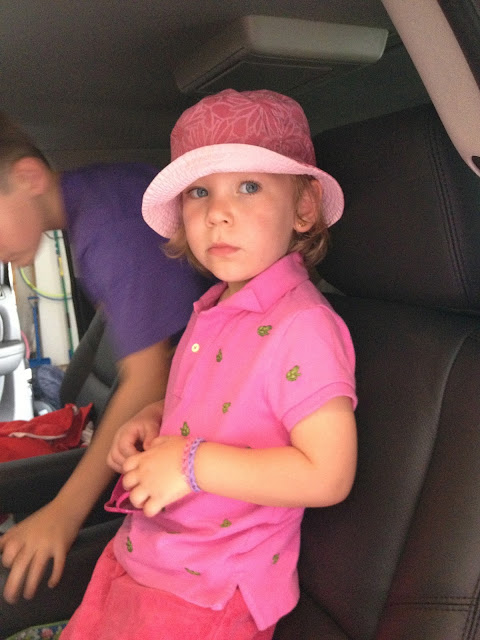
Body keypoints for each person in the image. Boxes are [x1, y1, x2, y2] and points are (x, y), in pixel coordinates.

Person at [61, 89, 358, 640]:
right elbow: (210, 407)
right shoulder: (213, 308)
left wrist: (189, 464)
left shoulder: (304, 326)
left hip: (211, 594)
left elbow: (328, 474)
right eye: (200, 191)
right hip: (145, 556)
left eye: (248, 186)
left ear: (303, 208)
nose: (217, 212)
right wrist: (154, 419)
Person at [0, 113, 210, 604]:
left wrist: (63, 514)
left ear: (28, 178)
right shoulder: (95, 201)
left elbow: (148, 377)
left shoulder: (109, 228)